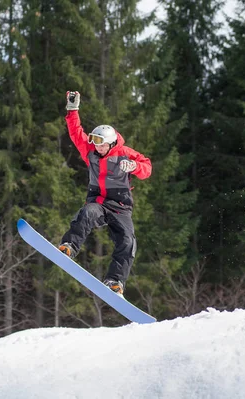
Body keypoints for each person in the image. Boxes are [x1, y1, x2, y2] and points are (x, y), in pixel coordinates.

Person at [58, 91, 152, 297]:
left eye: (101, 144)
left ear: (111, 143)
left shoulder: (125, 153)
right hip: (99, 202)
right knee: (87, 213)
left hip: (121, 207)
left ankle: (115, 282)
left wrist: (134, 166)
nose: (98, 147)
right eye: (96, 143)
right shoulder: (90, 151)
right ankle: (69, 247)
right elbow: (76, 133)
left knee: (128, 241)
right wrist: (72, 110)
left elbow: (147, 168)